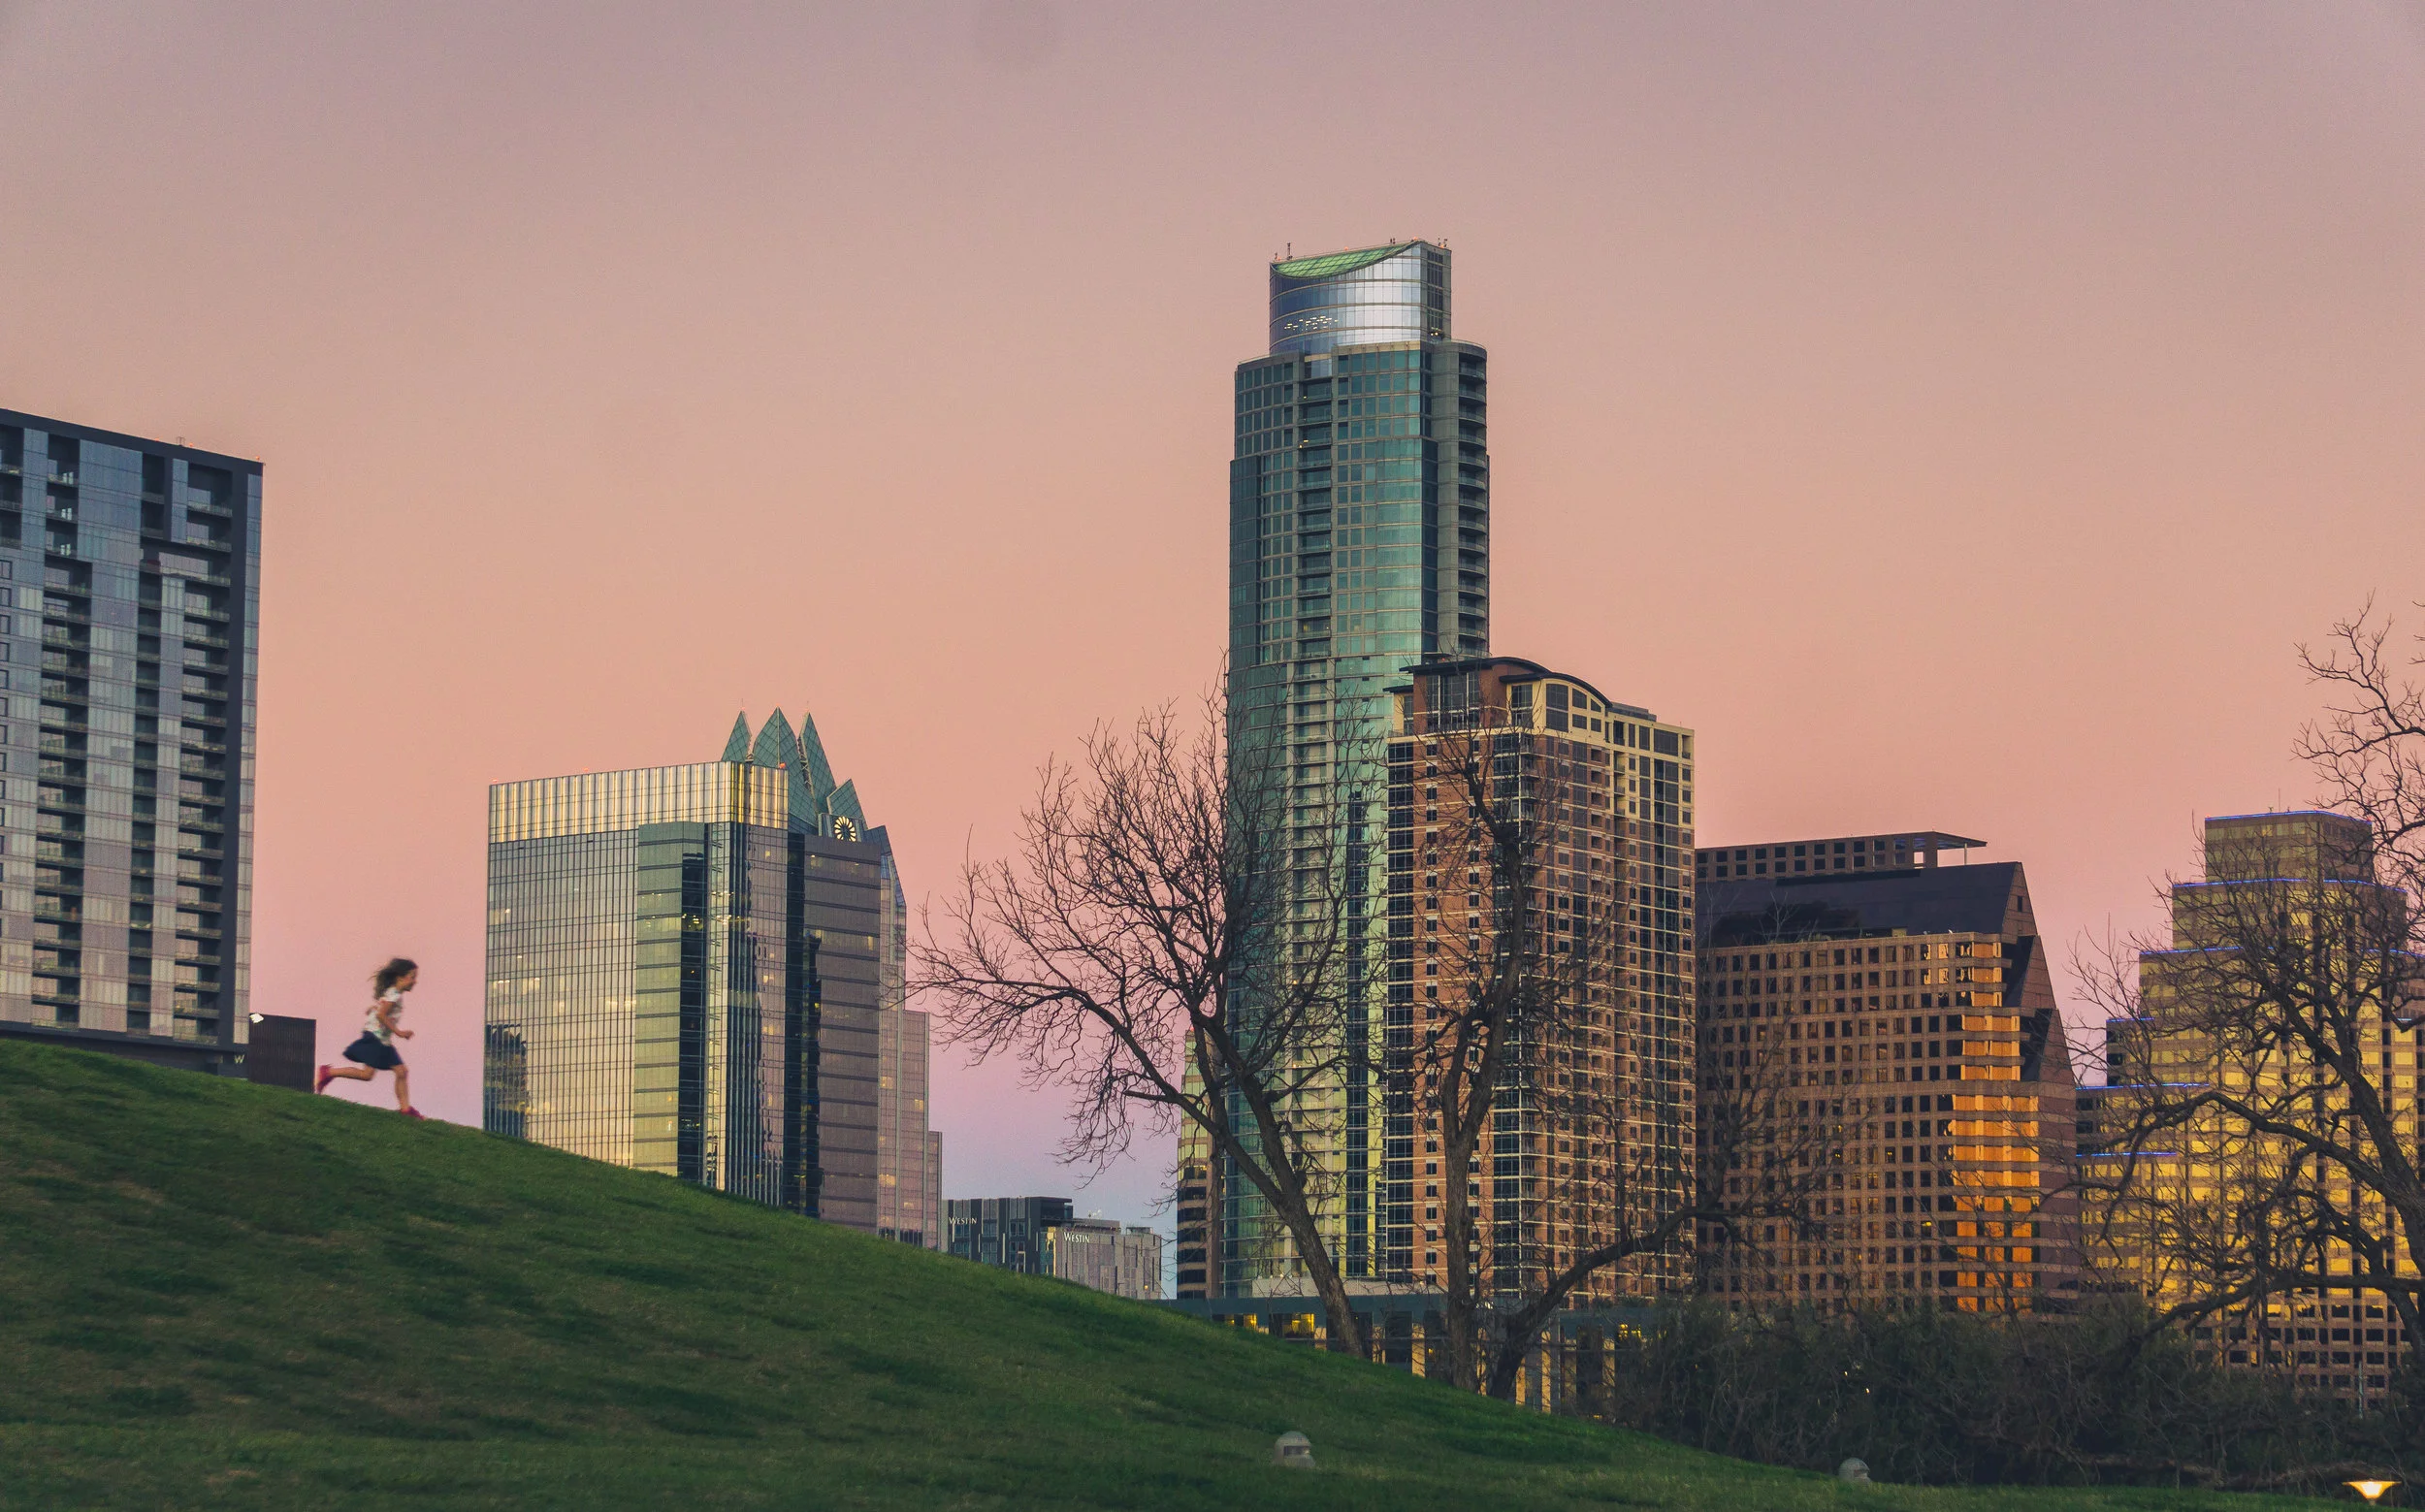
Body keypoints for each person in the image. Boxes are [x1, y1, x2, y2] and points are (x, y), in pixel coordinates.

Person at [316, 957, 425, 1118]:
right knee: (391, 1072)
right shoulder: (394, 995)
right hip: (376, 1037)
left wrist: (373, 1010)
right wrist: (399, 1032)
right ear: (400, 977)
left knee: (392, 1072)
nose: (415, 981)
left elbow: (379, 1010)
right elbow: (382, 1015)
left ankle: (405, 1110)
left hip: (382, 1039)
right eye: (412, 976)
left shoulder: (394, 994)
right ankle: (328, 1072)